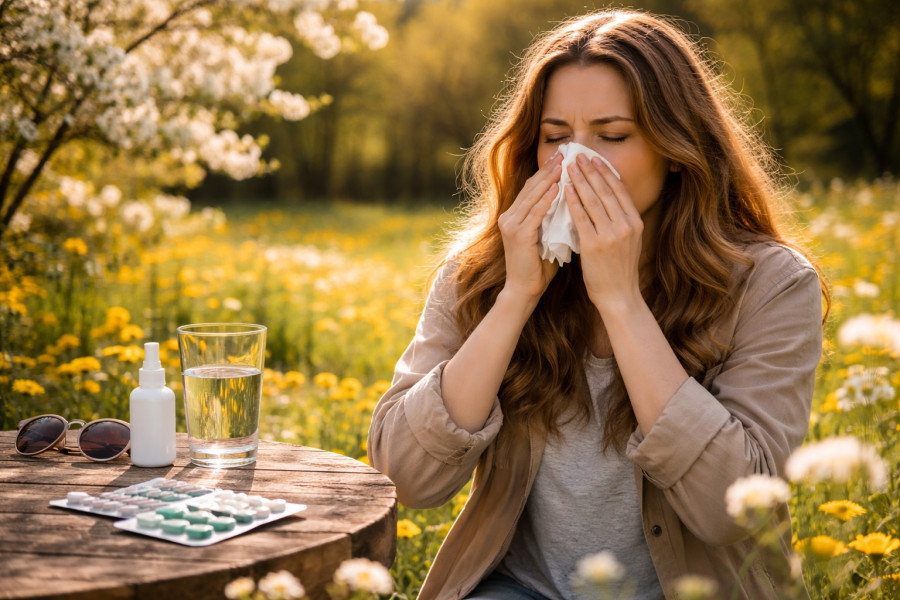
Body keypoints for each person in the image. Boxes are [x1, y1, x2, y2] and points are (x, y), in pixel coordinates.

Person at [368, 9, 828, 600]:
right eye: (557, 138)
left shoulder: (770, 284)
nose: (576, 163)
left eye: (612, 136)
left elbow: (734, 510)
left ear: (678, 149)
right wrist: (515, 296)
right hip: (523, 589)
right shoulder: (482, 271)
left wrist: (621, 302)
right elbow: (403, 476)